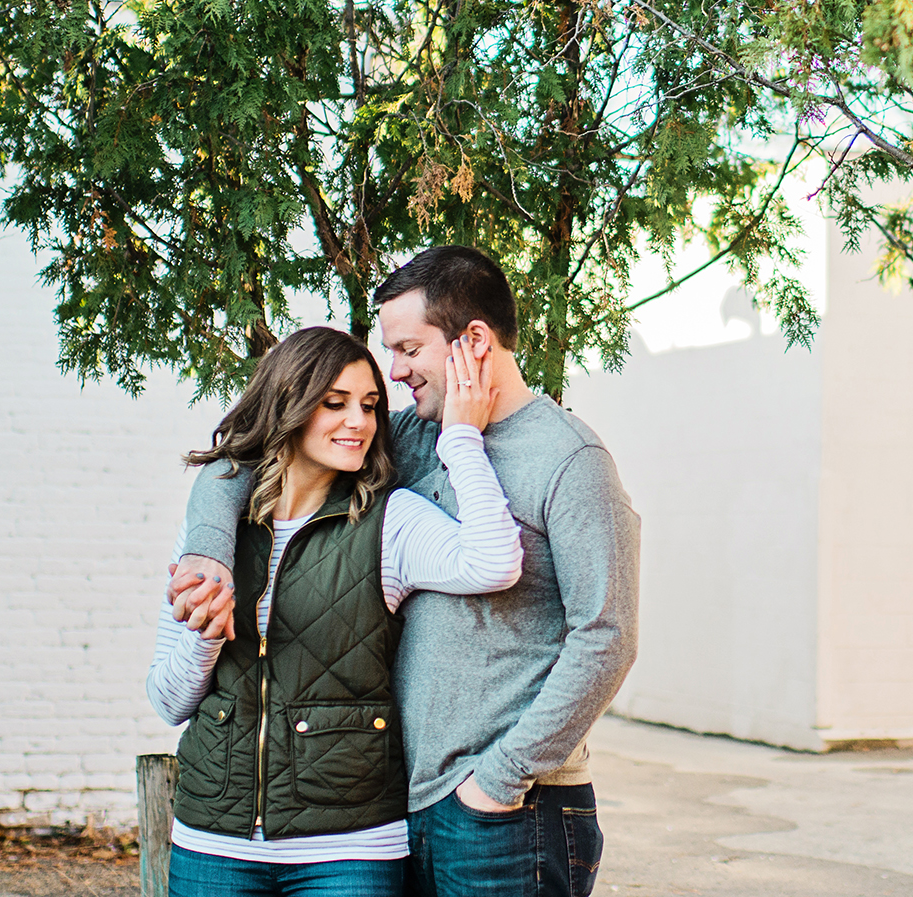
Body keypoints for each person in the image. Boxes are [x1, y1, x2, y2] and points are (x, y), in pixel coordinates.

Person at [170, 247, 640, 897]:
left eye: (409, 348)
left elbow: (606, 636)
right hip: (404, 802)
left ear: (473, 339)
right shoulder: (411, 434)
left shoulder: (570, 458)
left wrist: (498, 779)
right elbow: (253, 452)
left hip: (508, 806)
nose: (395, 371)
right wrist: (207, 548)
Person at [148, 324, 523, 897]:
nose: (359, 423)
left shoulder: (389, 521)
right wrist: (206, 635)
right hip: (213, 844)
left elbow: (495, 563)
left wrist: (461, 438)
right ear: (288, 405)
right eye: (335, 403)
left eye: (370, 406)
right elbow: (169, 702)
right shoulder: (219, 533)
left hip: (350, 849)